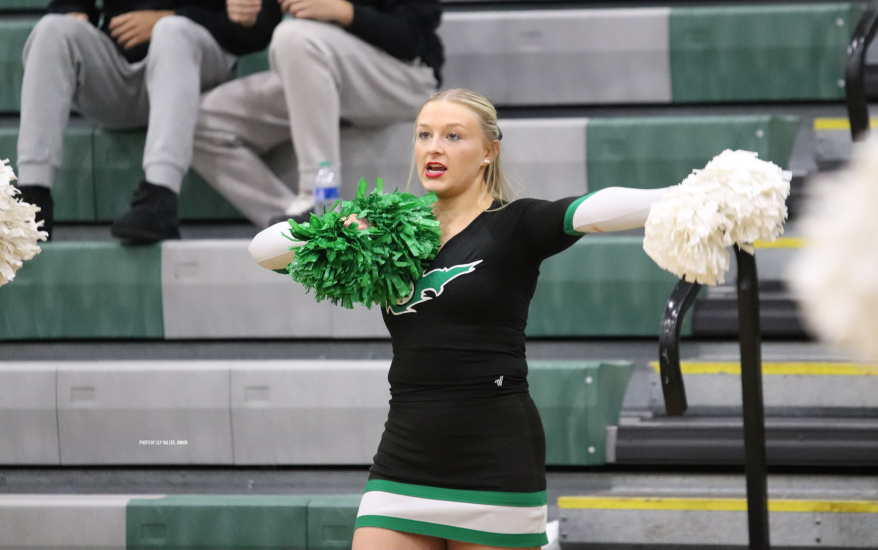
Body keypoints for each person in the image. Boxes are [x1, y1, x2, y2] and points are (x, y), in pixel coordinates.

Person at [250, 89, 673, 549]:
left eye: (453, 136)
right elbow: (264, 251)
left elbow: (592, 212)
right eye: (424, 135)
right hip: (405, 456)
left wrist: (686, 195)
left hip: (494, 456)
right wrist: (336, 230)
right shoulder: (391, 235)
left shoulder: (517, 223)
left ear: (489, 151)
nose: (434, 147)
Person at [15, 0, 281, 241]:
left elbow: (262, 21)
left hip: (196, 70)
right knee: (51, 29)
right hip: (119, 69)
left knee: (172, 30)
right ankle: (32, 198)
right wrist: (72, 11)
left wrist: (170, 16)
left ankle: (159, 196)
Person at [190, 0, 442, 228]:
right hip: (312, 73)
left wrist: (345, 11)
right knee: (199, 122)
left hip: (398, 78)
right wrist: (248, 19)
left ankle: (319, 196)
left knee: (295, 37)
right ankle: (301, 227)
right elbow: (263, 25)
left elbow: (412, 37)